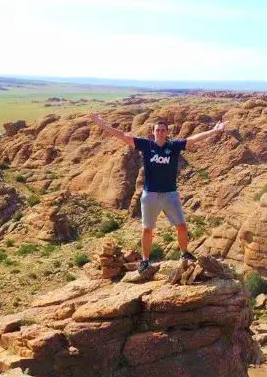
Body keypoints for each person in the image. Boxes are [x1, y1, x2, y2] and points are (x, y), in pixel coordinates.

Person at [89, 113, 228, 272]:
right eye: (158, 130)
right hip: (151, 195)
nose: (160, 132)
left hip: (170, 194)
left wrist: (215, 130)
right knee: (147, 229)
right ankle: (145, 260)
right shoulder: (146, 145)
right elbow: (122, 136)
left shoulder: (173, 146)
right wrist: (102, 124)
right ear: (153, 133)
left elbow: (194, 139)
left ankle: (184, 253)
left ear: (167, 133)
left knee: (182, 226)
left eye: (163, 130)